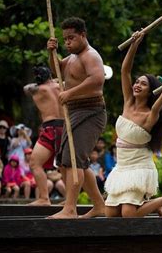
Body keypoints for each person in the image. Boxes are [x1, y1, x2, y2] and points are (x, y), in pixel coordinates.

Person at [104, 31, 162, 218]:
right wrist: (135, 43)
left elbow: (157, 109)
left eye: (143, 84)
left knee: (128, 214)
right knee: (110, 213)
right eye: (137, 82)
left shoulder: (149, 116)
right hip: (122, 166)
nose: (136, 85)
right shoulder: (128, 102)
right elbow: (124, 70)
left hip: (139, 166)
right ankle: (150, 205)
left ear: (151, 91)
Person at [47, 17, 106, 218]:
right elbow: (56, 70)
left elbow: (97, 80)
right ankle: (99, 205)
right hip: (74, 112)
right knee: (68, 160)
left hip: (91, 111)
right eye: (65, 39)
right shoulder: (72, 58)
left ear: (83, 35)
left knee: (74, 160)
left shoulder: (91, 56)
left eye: (72, 38)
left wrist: (70, 94)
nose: (68, 42)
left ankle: (70, 209)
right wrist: (51, 52)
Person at [23, 66, 65, 206]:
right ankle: (70, 200)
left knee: (35, 163)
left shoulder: (37, 89)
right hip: (65, 128)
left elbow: (25, 88)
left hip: (50, 127)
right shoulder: (62, 86)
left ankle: (44, 198)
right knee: (65, 166)